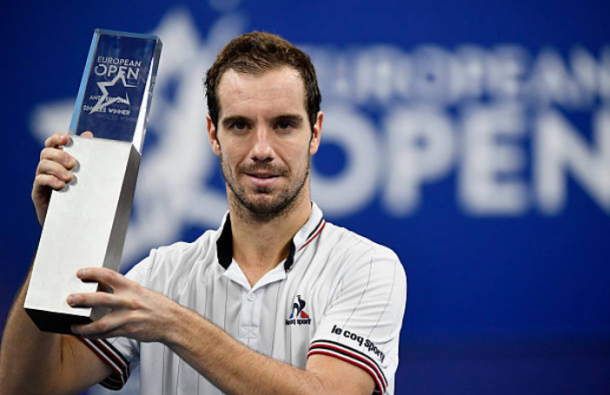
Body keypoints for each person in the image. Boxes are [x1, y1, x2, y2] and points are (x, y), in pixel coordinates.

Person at [0, 31, 406, 395]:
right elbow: (22, 385)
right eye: (240, 126)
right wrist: (60, 235)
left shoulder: (368, 267)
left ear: (315, 132)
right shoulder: (161, 274)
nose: (262, 149)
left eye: (284, 125)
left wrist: (175, 325)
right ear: (213, 135)